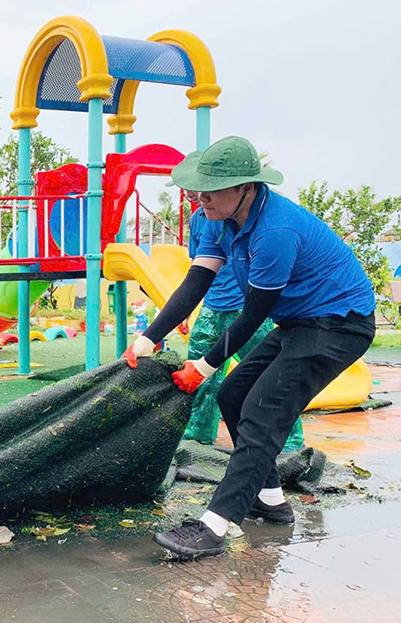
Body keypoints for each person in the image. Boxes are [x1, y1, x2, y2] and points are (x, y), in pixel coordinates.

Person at [125, 137, 374, 561]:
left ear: (247, 188)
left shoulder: (276, 231)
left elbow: (253, 314)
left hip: (339, 324)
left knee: (263, 411)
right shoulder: (216, 219)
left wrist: (202, 365)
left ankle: (214, 527)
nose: (200, 198)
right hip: (298, 321)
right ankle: (271, 500)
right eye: (197, 190)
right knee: (233, 394)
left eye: (212, 190)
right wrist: (149, 336)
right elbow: (196, 283)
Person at [177, 207, 302, 454]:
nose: (193, 195)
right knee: (198, 373)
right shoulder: (198, 219)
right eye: (188, 189)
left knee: (267, 374)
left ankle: (289, 440)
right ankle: (198, 434)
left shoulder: (243, 217)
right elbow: (198, 268)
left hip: (245, 308)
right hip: (212, 308)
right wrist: (186, 310)